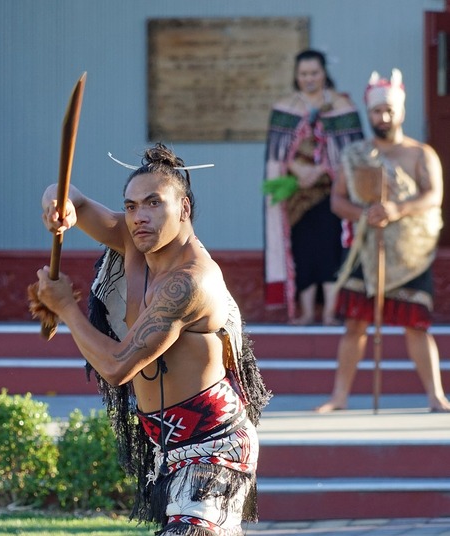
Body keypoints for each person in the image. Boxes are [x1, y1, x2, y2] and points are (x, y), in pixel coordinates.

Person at [32, 144, 271, 534]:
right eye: (130, 206)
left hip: (215, 447)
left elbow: (115, 367)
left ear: (184, 209)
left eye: (153, 203)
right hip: (168, 446)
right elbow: (67, 193)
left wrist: (66, 309)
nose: (139, 217)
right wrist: (59, 205)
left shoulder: (189, 282)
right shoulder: (135, 241)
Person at [316, 69, 450, 413]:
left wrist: (396, 209)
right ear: (369, 112)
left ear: (401, 112)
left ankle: (436, 397)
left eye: (389, 110)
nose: (384, 116)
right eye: (377, 111)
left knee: (416, 326)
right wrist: (367, 214)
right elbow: (338, 201)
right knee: (355, 324)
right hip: (366, 247)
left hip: (409, 252)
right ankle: (339, 397)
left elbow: (433, 196)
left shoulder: (421, 154)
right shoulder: (356, 154)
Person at [264, 49, 364, 325]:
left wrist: (321, 169)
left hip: (332, 192)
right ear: (296, 76)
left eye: (314, 73)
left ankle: (331, 312)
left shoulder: (342, 106)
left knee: (331, 249)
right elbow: (276, 154)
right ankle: (307, 312)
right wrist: (297, 169)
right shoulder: (285, 107)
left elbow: (352, 152)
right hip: (295, 194)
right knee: (303, 250)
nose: (309, 78)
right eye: (303, 74)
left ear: (324, 74)